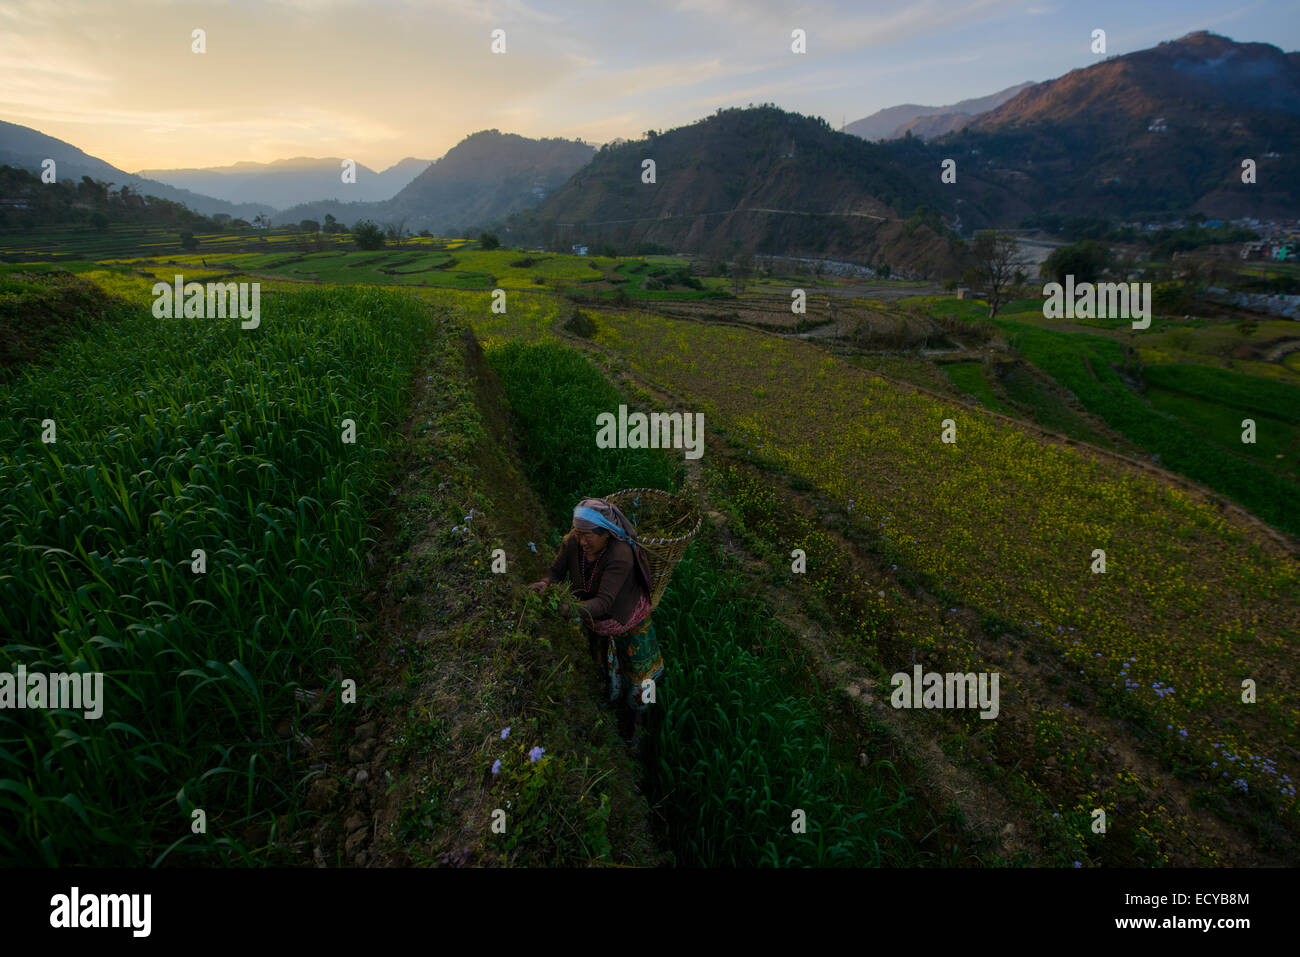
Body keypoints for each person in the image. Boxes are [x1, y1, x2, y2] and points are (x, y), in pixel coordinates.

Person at [528, 497, 662, 750]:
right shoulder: (571, 543)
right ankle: (610, 709)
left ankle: (638, 723)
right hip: (594, 621)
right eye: (578, 534)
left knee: (641, 676)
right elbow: (555, 573)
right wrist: (544, 584)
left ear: (606, 534)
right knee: (603, 668)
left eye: (588, 536)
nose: (582, 542)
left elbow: (603, 603)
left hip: (626, 620)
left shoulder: (621, 554)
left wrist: (567, 609)